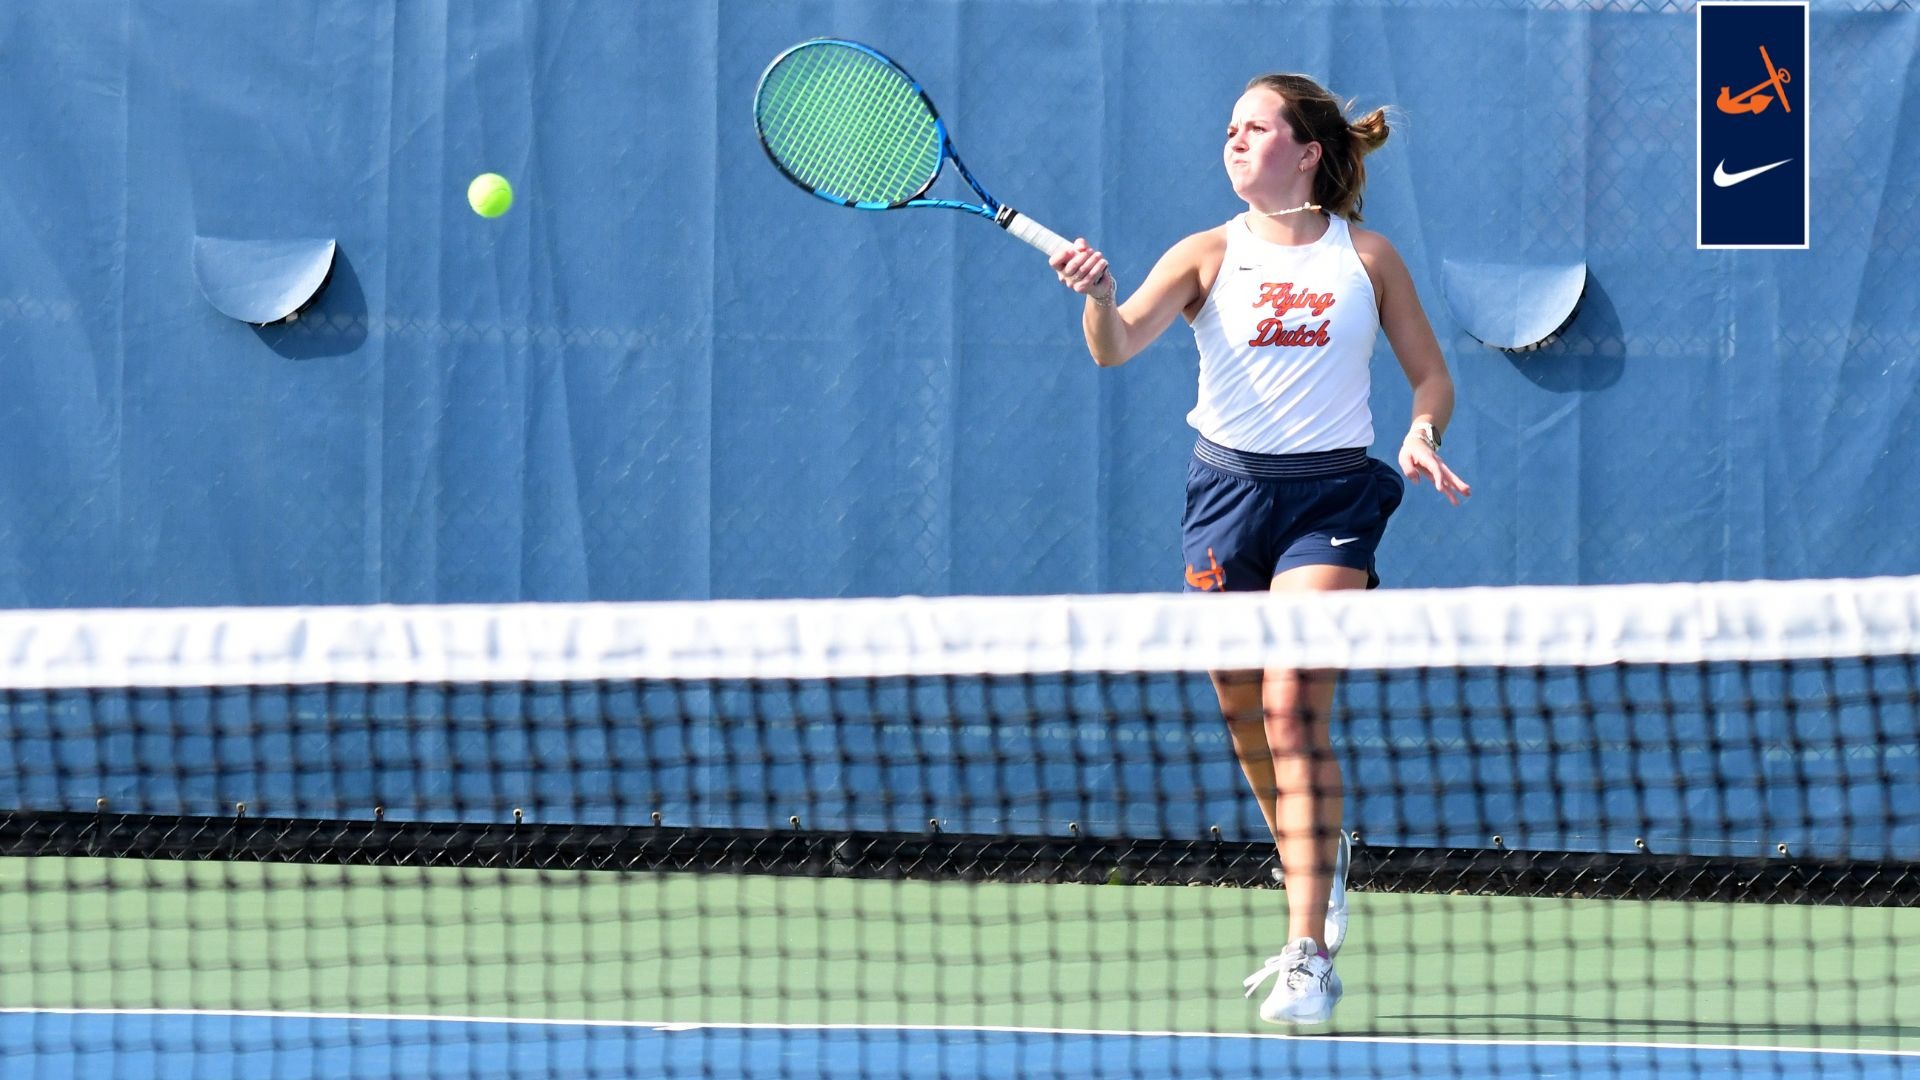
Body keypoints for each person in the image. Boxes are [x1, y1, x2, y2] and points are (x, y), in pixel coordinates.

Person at [1048, 72, 1470, 1027]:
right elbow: (1114, 345)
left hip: (1333, 499)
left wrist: (1422, 433)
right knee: (1242, 705)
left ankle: (1307, 952)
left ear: (1308, 151)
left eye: (1255, 127)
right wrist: (1100, 297)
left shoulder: (1368, 258)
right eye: (1229, 128)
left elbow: (1431, 376)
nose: (1234, 140)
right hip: (1226, 498)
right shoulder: (1205, 253)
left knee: (1290, 708)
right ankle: (1313, 852)